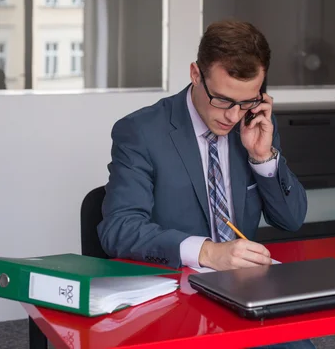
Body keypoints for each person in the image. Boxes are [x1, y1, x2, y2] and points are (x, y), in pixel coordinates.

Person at [98, 19, 314, 348]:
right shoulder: (141, 132)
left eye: (246, 102)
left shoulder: (253, 125)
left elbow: (292, 219)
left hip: (245, 299)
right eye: (223, 100)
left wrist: (263, 156)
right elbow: (119, 229)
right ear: (196, 75)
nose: (232, 116)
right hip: (173, 300)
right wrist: (209, 252)